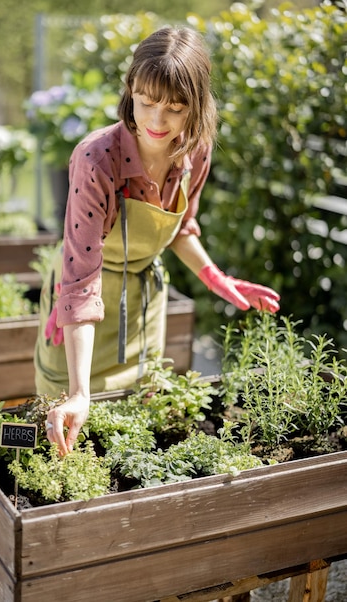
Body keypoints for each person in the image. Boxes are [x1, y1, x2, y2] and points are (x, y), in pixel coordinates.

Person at [36, 26, 280, 455]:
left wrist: (216, 278)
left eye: (175, 108)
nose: (156, 121)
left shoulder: (196, 150)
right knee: (69, 425)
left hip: (145, 300)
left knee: (139, 426)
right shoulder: (97, 160)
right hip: (80, 310)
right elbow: (80, 283)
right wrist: (78, 391)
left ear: (197, 107)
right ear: (130, 89)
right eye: (146, 102)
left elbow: (181, 226)